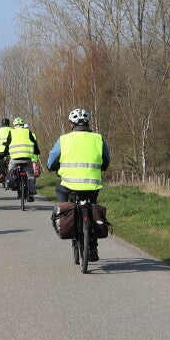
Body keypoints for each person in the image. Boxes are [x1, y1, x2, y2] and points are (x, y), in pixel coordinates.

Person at [46, 108, 109, 260]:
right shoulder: (98, 139)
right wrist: (102, 167)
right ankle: (92, 247)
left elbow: (52, 160)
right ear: (88, 123)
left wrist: (51, 167)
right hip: (92, 185)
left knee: (61, 195)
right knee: (92, 209)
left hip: (68, 185)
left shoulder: (64, 139)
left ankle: (65, 216)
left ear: (71, 124)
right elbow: (106, 159)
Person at [4, 116, 39, 198]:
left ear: (14, 125)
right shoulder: (27, 132)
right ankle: (31, 192)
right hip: (27, 158)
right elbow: (34, 142)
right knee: (30, 175)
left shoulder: (11, 132)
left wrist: (5, 153)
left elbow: (7, 144)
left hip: (15, 158)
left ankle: (11, 184)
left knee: (11, 170)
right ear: (22, 125)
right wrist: (36, 151)